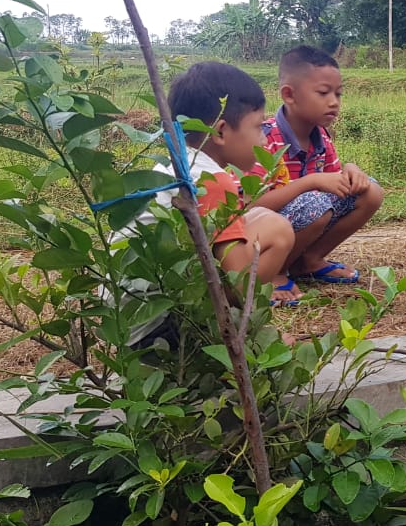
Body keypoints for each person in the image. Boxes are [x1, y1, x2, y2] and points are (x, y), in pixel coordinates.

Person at [122, 60, 301, 349]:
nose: (265, 138)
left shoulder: (179, 166)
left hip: (128, 324)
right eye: (258, 127)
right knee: (277, 229)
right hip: (159, 334)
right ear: (220, 131)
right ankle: (236, 335)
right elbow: (237, 279)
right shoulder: (212, 180)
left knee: (256, 215)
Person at [247, 45, 383, 284]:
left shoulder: (321, 137)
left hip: (304, 215)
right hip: (263, 233)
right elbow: (250, 206)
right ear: (289, 95)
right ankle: (274, 272)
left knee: (370, 191)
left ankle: (308, 261)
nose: (333, 102)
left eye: (338, 94)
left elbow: (334, 183)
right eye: (323, 93)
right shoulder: (264, 140)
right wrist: (310, 182)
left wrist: (350, 170)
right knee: (314, 203)